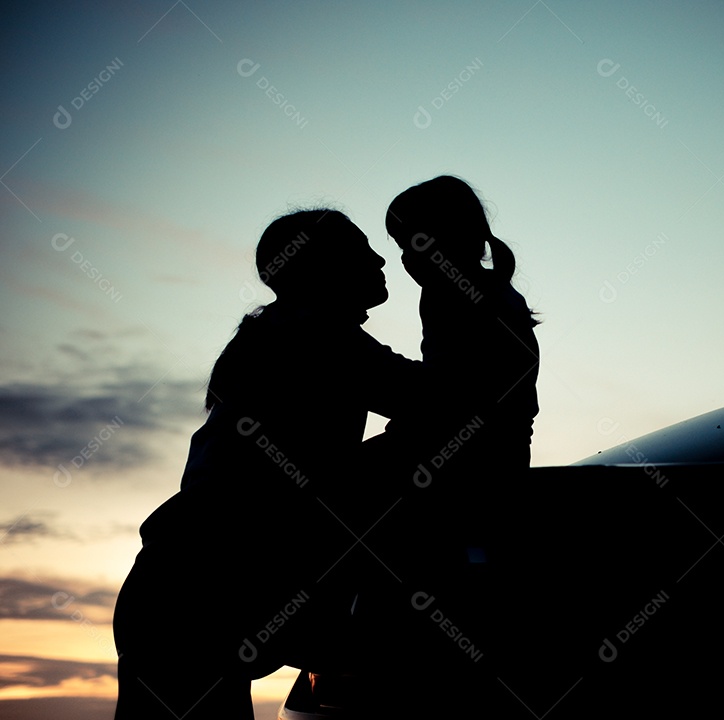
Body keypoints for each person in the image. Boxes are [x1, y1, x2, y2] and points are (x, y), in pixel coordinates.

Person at [113, 209, 428, 719]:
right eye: (362, 250)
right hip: (192, 606)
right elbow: (442, 401)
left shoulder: (283, 335)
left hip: (173, 598)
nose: (378, 258)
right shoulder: (319, 338)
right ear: (325, 269)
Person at [380, 175, 540, 480]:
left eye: (415, 243)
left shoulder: (457, 297)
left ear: (454, 236)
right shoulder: (484, 291)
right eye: (402, 247)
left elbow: (453, 391)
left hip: (478, 455)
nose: (405, 259)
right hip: (501, 446)